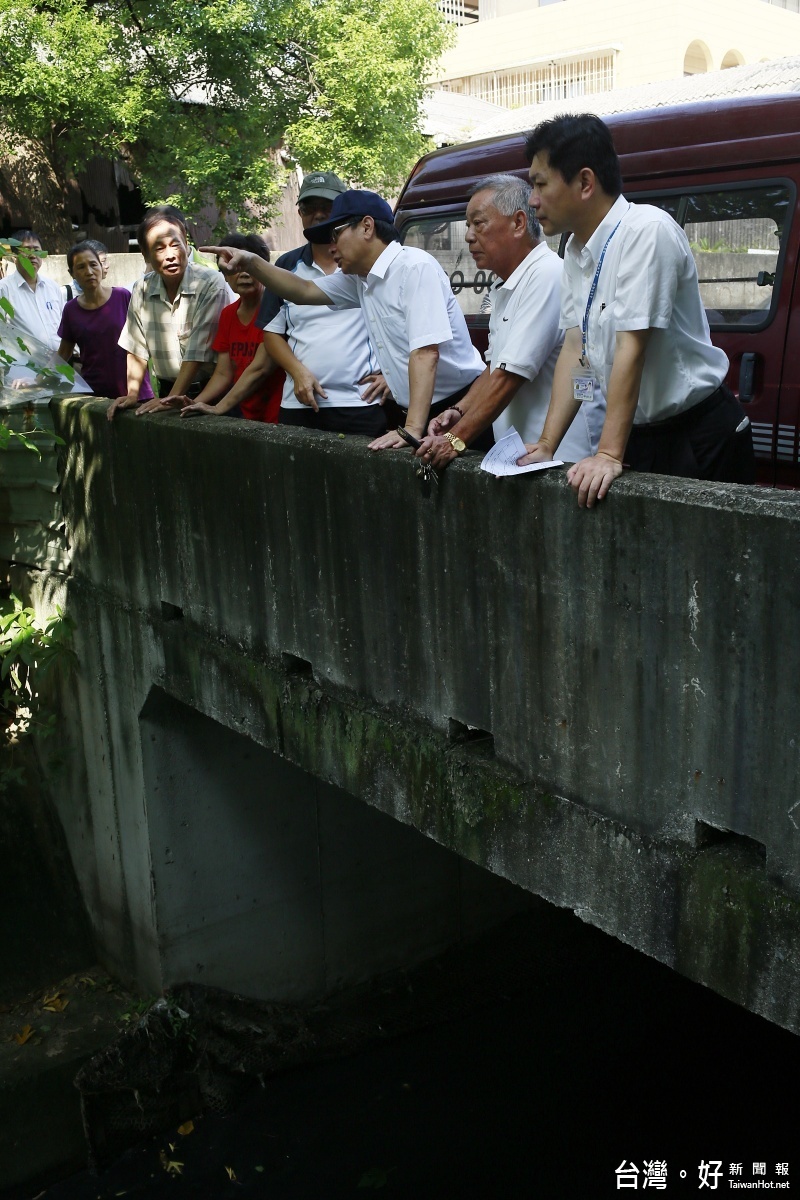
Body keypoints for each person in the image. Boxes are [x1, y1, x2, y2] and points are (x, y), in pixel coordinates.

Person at [520, 113, 755, 507]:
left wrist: (609, 454)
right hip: (641, 436)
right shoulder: (575, 253)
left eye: (541, 184)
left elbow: (632, 348)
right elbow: (579, 352)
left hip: (696, 435)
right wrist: (547, 444)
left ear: (585, 182)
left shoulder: (647, 231)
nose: (532, 200)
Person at [201, 189, 485, 450]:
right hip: (420, 409)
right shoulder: (361, 280)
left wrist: (410, 428)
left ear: (367, 226)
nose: (331, 246)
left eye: (335, 234)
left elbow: (425, 354)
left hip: (458, 405)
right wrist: (251, 261)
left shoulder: (414, 267)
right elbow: (302, 289)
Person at [416, 173, 603, 470]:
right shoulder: (506, 285)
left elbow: (509, 376)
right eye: (468, 226)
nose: (468, 236)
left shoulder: (546, 275)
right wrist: (459, 409)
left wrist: (454, 439)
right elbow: (496, 366)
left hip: (564, 455)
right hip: (521, 454)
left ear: (518, 223)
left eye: (479, 223)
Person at [254, 172, 388, 436]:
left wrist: (392, 376)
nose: (318, 215)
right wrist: (298, 372)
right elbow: (271, 332)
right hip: (301, 402)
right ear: (299, 212)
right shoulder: (286, 267)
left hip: (360, 402)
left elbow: (407, 328)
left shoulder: (366, 267)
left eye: (327, 207)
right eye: (309, 208)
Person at [108, 208, 228, 419]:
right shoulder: (142, 288)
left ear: (186, 245)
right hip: (167, 392)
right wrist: (132, 393)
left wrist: (169, 400)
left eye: (175, 245)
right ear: (145, 255)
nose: (170, 255)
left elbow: (196, 353)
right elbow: (136, 346)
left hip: (208, 394)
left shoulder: (210, 283)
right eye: (159, 248)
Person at [179, 233, 283, 422]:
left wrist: (219, 407)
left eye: (249, 266)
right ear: (225, 277)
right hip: (245, 413)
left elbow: (260, 370)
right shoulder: (227, 315)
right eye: (234, 268)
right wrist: (194, 403)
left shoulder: (277, 308)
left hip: (279, 415)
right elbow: (223, 372)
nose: (243, 273)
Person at [57, 240, 154, 401]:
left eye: (93, 265)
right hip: (96, 395)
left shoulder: (123, 296)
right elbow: (63, 353)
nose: (89, 272)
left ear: (102, 268)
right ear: (72, 273)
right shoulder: (71, 310)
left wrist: (133, 393)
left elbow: (141, 343)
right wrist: (37, 380)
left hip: (135, 393)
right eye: (81, 267)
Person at [0, 230, 64, 351]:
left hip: (59, 363)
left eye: (36, 250)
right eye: (26, 250)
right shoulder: (3, 289)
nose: (33, 255)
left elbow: (63, 324)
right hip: (24, 366)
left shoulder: (53, 287)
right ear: (14, 256)